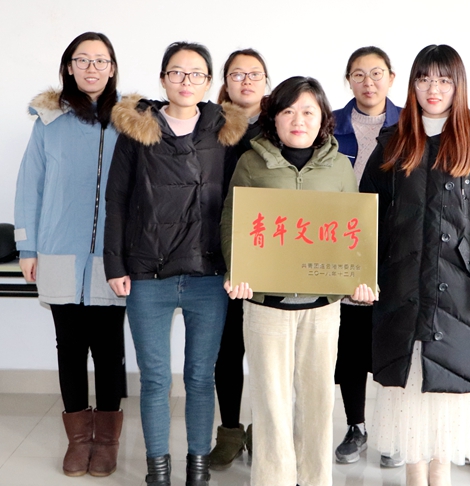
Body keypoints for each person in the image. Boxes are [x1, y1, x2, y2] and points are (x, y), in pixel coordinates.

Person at [360, 45, 470, 486]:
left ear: (457, 86)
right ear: (412, 85)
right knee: (408, 392)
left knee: (446, 394)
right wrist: (362, 275)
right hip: (401, 288)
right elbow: (366, 218)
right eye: (425, 78)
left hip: (456, 292)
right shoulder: (392, 143)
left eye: (444, 80)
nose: (434, 89)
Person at [103, 41, 247, 486]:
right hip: (147, 274)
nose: (186, 81)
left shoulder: (225, 131)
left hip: (208, 274)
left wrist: (240, 265)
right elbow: (116, 201)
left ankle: (197, 470)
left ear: (209, 83)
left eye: (196, 74)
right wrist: (115, 264)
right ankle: (158, 472)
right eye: (177, 72)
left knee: (201, 378)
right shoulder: (139, 129)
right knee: (155, 379)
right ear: (163, 78)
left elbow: (240, 204)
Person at [220, 76, 376, 486]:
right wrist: (238, 271)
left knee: (318, 403)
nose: (298, 120)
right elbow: (232, 221)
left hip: (322, 309)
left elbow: (355, 230)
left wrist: (361, 279)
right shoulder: (251, 162)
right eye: (288, 111)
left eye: (308, 111)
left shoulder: (339, 166)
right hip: (265, 307)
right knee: (271, 404)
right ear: (274, 117)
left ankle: (315, 479)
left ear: (323, 117)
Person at [14, 32, 127, 478]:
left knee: (110, 350)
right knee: (70, 348)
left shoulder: (130, 121)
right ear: (68, 67)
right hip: (58, 254)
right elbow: (30, 186)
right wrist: (27, 248)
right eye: (83, 60)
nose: (92, 68)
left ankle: (108, 442)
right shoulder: (49, 122)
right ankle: (79, 442)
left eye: (101, 60)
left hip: (112, 258)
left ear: (113, 68)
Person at [332, 45, 401, 467]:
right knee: (351, 346)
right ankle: (355, 426)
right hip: (343, 246)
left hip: (395, 248)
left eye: (376, 73)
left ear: (391, 78)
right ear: (348, 80)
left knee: (393, 345)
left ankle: (392, 433)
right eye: (358, 74)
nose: (368, 82)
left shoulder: (411, 126)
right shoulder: (329, 125)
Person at [210, 48, 270, 470]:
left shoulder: (282, 123)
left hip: (270, 250)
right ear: (225, 82)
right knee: (227, 349)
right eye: (237, 74)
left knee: (268, 352)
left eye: (255, 74)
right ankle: (230, 430)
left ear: (266, 82)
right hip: (220, 250)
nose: (246, 81)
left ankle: (263, 432)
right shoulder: (209, 125)